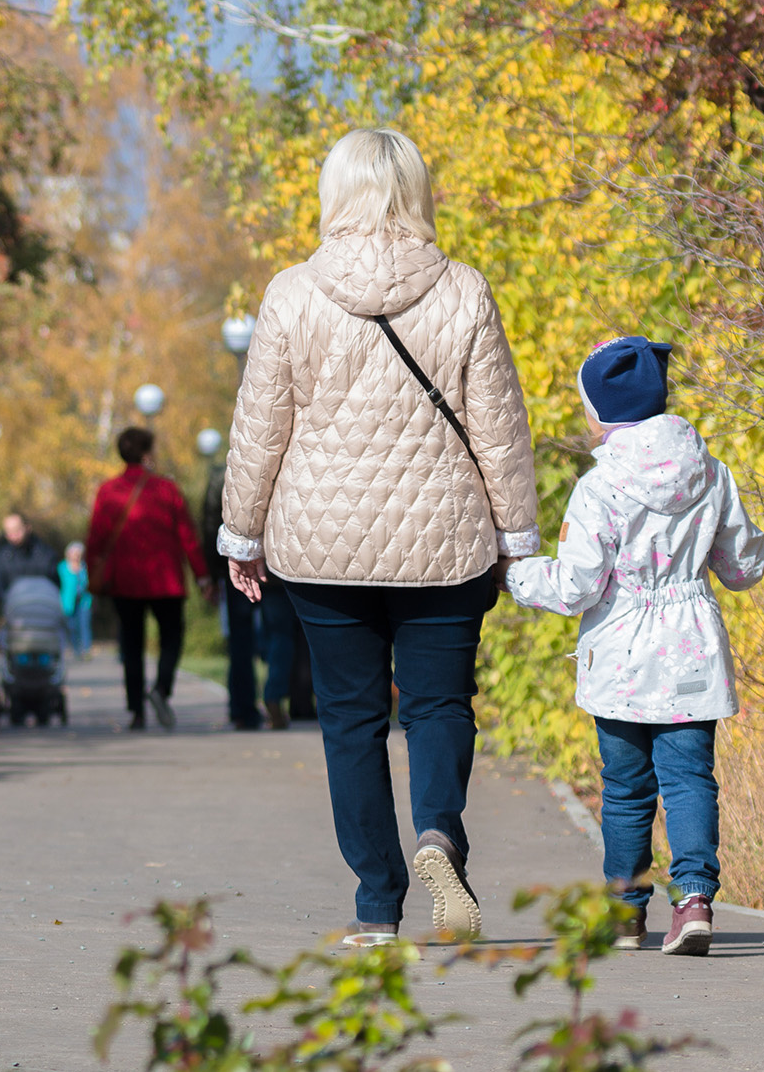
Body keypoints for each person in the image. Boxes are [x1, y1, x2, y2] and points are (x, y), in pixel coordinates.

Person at [217, 127, 540, 946]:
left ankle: (375, 903)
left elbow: (262, 427)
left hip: (322, 545)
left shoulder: (291, 292)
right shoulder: (464, 289)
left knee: (351, 721)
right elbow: (498, 429)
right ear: (416, 193)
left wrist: (241, 533)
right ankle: (438, 832)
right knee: (438, 705)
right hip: (445, 539)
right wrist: (517, 535)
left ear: (335, 194)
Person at [504, 337, 764, 957]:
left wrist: (516, 574)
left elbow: (575, 585)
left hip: (621, 657)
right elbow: (740, 567)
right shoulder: (713, 473)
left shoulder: (600, 488)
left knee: (625, 787)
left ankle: (626, 911)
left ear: (603, 412)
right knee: (689, 780)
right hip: (692, 656)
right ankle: (695, 899)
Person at [86, 426, 212, 730]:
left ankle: (136, 711)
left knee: (131, 644)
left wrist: (94, 577)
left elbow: (96, 540)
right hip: (164, 579)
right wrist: (203, 577)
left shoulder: (109, 490)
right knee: (171, 637)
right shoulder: (167, 489)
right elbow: (188, 537)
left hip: (125, 581)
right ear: (146, 453)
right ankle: (161, 689)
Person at [203, 454, 293, 730]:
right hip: (276, 567)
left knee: (240, 640)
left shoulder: (223, 473)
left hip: (238, 564)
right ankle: (274, 694)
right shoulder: (284, 461)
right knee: (281, 635)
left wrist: (212, 571)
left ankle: (242, 709)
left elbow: (209, 524)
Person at [0, 512, 58, 600]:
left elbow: (54, 583)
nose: (13, 535)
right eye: (9, 532)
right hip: (14, 608)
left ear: (28, 528)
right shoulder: (2, 557)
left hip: (42, 606)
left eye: (17, 530)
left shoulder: (46, 554)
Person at [58, 541, 93, 659]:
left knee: (84, 626)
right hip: (68, 602)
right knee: (71, 626)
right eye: (74, 553)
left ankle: (86, 650)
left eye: (78, 553)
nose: (76, 556)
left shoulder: (85, 567)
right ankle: (75, 649)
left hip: (84, 602)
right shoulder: (62, 568)